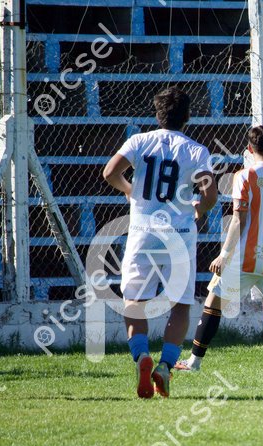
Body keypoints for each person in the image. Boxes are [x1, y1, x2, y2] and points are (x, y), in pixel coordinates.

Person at [102, 87, 217, 397]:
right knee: (180, 305)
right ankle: (165, 365)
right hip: (179, 234)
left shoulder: (139, 141)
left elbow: (110, 172)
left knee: (134, 301)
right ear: (188, 116)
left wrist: (130, 190)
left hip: (143, 231)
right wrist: (199, 209)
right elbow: (210, 195)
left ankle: (142, 355)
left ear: (157, 114)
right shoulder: (196, 150)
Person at [176, 125, 263, 373]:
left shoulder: (244, 176)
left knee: (214, 303)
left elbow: (238, 220)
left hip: (245, 256)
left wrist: (224, 255)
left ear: (249, 149)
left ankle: (194, 362)